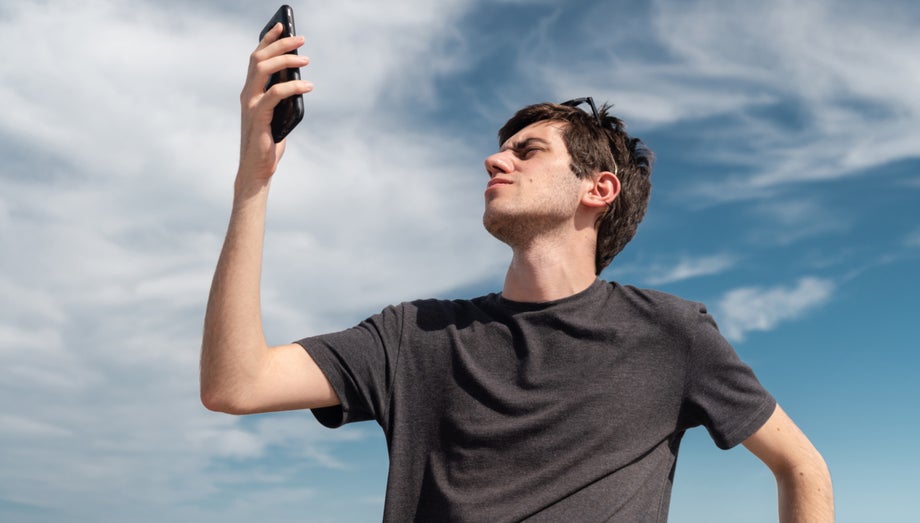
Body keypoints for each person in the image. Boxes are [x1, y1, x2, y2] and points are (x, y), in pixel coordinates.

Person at [201, 24, 834, 522]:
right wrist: (253, 182)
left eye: (526, 151)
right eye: (502, 148)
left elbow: (801, 467)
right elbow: (236, 385)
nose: (492, 160)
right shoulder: (413, 336)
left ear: (599, 188)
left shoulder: (671, 334)